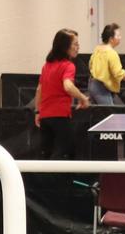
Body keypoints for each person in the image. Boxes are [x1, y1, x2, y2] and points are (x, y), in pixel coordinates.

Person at [35, 27, 89, 159]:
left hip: (45, 118)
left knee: (46, 156)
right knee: (67, 155)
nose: (78, 47)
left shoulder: (46, 65)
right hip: (60, 117)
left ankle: (46, 180)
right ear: (66, 47)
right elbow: (68, 86)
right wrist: (83, 98)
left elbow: (39, 90)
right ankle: (63, 180)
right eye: (75, 44)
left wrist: (37, 112)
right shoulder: (68, 66)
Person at [87, 22, 125, 107]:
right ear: (111, 38)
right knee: (110, 114)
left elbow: (90, 65)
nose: (120, 37)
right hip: (102, 88)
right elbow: (118, 73)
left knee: (106, 113)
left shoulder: (97, 49)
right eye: (118, 35)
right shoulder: (111, 53)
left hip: (92, 85)